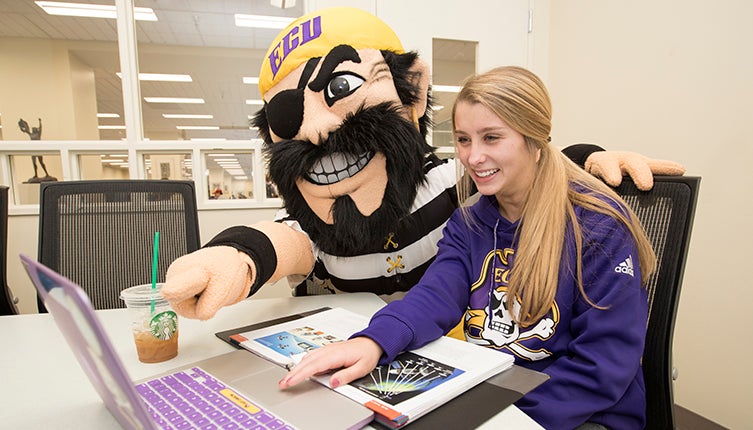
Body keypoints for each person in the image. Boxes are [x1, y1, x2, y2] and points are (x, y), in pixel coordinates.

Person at [278, 66, 657, 430]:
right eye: (463, 139)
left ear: (534, 139)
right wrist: (373, 341)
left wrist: (496, 415)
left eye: (492, 138)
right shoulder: (471, 220)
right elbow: (435, 295)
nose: (473, 157)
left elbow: (602, 369)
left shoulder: (598, 228)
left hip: (578, 413)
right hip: (497, 391)